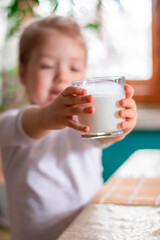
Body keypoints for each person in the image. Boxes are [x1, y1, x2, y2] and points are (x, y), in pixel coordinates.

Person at [0, 16, 137, 240]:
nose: (62, 76)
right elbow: (35, 122)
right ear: (23, 73)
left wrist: (122, 121)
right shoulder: (11, 121)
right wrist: (48, 115)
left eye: (74, 68)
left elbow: (105, 137)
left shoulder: (86, 121)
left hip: (89, 230)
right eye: (46, 66)